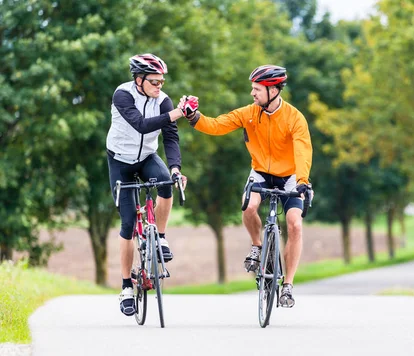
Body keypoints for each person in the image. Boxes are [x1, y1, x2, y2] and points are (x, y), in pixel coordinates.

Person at [180, 65, 312, 308]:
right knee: (249, 208)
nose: (252, 94)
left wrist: (303, 182)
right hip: (260, 172)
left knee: (295, 224)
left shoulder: (295, 118)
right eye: (252, 89)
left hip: (290, 176)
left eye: (257, 89)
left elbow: (303, 150)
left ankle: (288, 286)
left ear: (273, 90)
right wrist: (193, 117)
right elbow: (218, 125)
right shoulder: (249, 113)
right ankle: (257, 245)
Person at [106, 53, 187, 316]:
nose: (159, 87)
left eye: (162, 82)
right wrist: (175, 114)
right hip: (120, 161)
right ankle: (126, 286)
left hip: (146, 157)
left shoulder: (163, 101)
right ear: (138, 79)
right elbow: (140, 125)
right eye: (154, 81)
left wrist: (176, 168)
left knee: (166, 182)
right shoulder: (123, 95)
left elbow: (170, 137)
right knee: (128, 224)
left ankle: (160, 237)